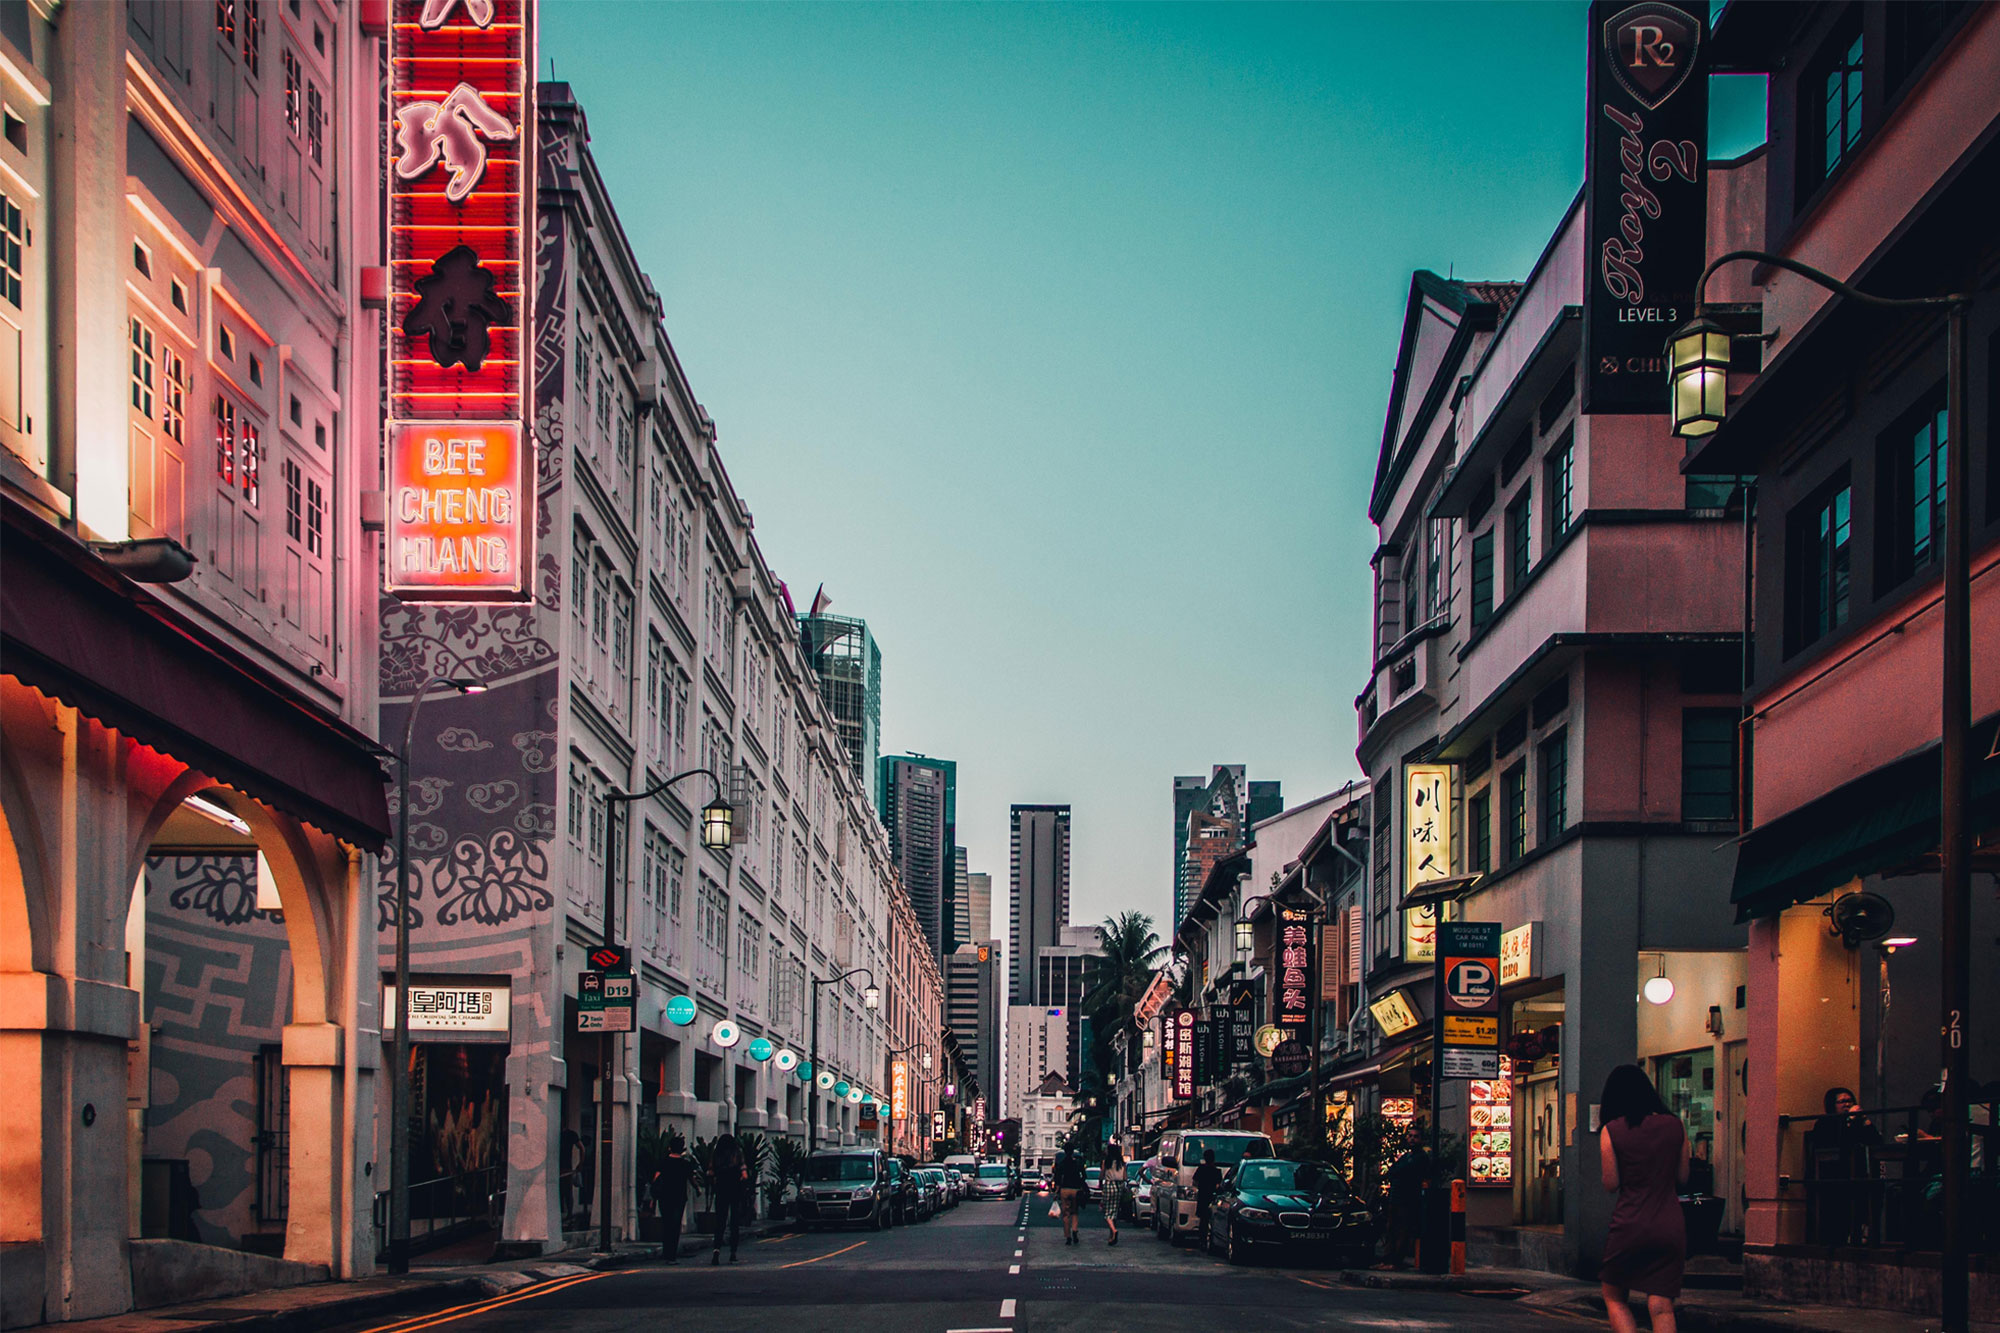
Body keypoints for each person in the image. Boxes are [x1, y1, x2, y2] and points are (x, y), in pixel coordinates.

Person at [1598, 1064, 1689, 1333]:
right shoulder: (1676, 1125)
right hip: (1670, 1225)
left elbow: (1611, 1184)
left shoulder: (1612, 1130)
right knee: (1661, 1306)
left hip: (1630, 1224)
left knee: (1614, 1297)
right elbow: (1683, 1178)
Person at [1807, 1086, 1881, 1244]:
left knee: (1874, 1189)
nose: (1847, 1104)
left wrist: (1865, 1120)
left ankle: (1862, 1235)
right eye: (1842, 1101)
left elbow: (1876, 1142)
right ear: (1832, 1105)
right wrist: (1850, 1120)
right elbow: (1840, 1144)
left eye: (1850, 1101)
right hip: (1833, 1173)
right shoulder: (1825, 1123)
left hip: (1857, 1172)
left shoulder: (1858, 1122)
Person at [1375, 1124, 1431, 1270]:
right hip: (1396, 1197)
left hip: (1408, 1199)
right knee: (1391, 1229)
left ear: (1421, 1140)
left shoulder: (1420, 1157)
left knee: (1402, 1231)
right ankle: (1386, 1260)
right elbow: (1393, 1171)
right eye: (1410, 1136)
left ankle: (1395, 1262)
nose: (1412, 1139)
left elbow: (1407, 1172)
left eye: (1415, 1137)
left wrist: (1399, 1173)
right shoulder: (1406, 1156)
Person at [652, 1138, 695, 1263]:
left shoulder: (663, 1162)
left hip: (664, 1197)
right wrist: (698, 1189)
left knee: (666, 1224)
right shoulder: (685, 1164)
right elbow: (692, 1179)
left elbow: (656, 1178)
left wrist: (653, 1196)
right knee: (675, 1226)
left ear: (669, 1148)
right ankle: (672, 1255)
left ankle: (666, 1253)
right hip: (679, 1197)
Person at [709, 1133, 750, 1264]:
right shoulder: (737, 1153)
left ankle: (716, 1250)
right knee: (734, 1221)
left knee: (720, 1220)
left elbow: (710, 1172)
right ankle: (733, 1252)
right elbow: (744, 1174)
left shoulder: (716, 1154)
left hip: (721, 1188)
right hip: (734, 1188)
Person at [1051, 1144, 1087, 1244]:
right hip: (1075, 1189)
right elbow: (1084, 1176)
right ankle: (1074, 1230)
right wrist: (1080, 1184)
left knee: (1066, 1214)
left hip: (1065, 1189)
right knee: (1075, 1212)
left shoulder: (1061, 1163)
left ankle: (1068, 1236)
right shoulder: (1078, 1163)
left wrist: (1056, 1190)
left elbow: (1057, 1178)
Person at [1191, 1149, 1223, 1243]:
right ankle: (1210, 1238)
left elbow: (1195, 1182)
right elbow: (1219, 1185)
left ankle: (1202, 1240)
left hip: (1202, 1196)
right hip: (1212, 1197)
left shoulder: (1201, 1169)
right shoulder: (1217, 1171)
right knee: (1211, 1219)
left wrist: (1200, 1187)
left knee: (1203, 1220)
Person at [1099, 1144, 1127, 1245]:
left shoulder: (1107, 1162)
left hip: (1109, 1185)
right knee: (1114, 1211)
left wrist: (1100, 1183)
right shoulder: (1121, 1163)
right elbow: (1125, 1177)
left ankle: (1114, 1231)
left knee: (1107, 1212)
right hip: (1119, 1185)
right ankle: (1111, 1236)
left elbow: (1102, 1175)